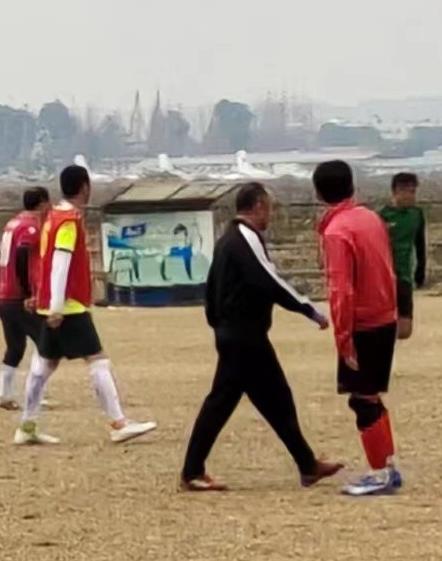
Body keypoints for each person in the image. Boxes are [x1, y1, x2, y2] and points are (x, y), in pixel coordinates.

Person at [180, 183, 343, 492]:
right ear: (257, 207)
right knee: (231, 403)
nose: (271, 214)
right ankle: (192, 472)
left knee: (269, 399)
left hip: (235, 334)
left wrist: (217, 324)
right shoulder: (245, 239)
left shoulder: (227, 239)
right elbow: (270, 280)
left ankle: (307, 465)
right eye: (269, 207)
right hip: (244, 336)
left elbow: (212, 288)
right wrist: (309, 309)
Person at [14, 163, 157, 446]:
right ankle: (118, 423)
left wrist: (46, 300)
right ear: (84, 187)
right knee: (97, 359)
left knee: (43, 366)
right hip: (68, 305)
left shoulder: (52, 216)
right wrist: (57, 305)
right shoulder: (68, 221)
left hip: (52, 304)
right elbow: (60, 262)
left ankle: (27, 426)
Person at [314, 160, 404, 497]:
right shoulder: (371, 218)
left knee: (363, 399)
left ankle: (379, 471)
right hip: (385, 315)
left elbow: (341, 289)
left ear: (320, 193)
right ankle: (388, 465)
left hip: (363, 322)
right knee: (371, 396)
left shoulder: (337, 232)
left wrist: (343, 337)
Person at [0, 186, 50, 409]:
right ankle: (34, 394)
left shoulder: (12, 224)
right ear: (43, 203)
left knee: (15, 347)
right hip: (18, 298)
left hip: (4, 296)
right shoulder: (30, 227)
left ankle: (4, 394)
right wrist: (27, 292)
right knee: (45, 344)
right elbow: (23, 254)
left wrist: (1, 280)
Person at [377, 171, 427, 341]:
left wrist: (420, 270)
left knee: (405, 330)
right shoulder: (382, 216)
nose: (411, 196)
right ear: (395, 192)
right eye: (406, 191)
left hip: (404, 276)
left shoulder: (416, 214)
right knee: (383, 322)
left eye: (413, 192)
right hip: (384, 278)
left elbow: (420, 243)